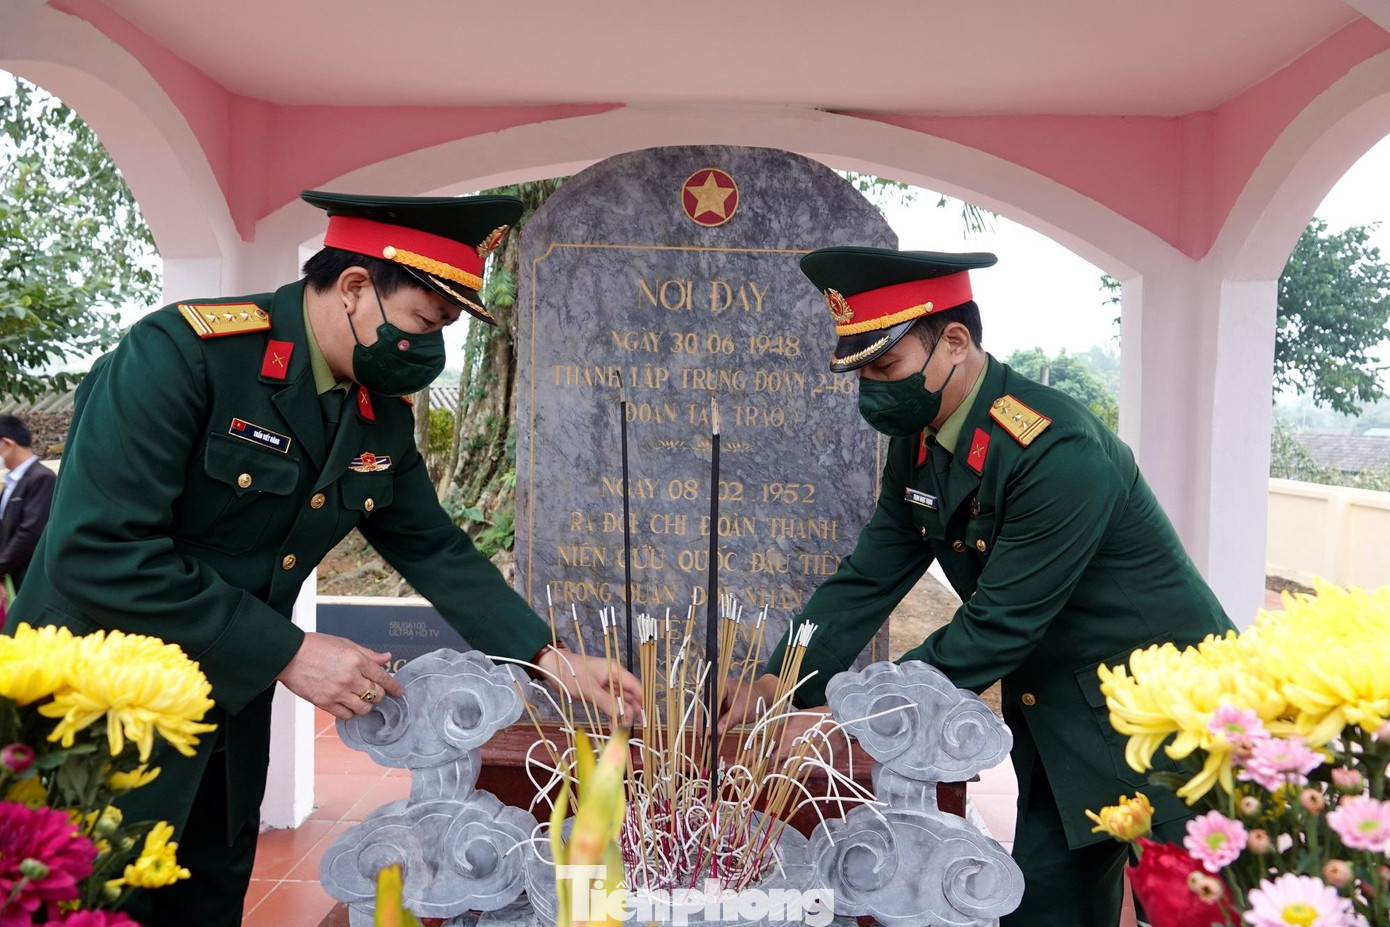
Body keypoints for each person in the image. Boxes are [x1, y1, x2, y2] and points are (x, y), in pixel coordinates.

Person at [5, 191, 642, 927]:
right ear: (353, 289)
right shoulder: (183, 357)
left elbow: (433, 545)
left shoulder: (375, 415)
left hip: (223, 707)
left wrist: (549, 656)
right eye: (424, 322)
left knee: (205, 896)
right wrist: (288, 650)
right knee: (83, 901)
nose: (431, 349)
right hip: (92, 704)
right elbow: (99, 550)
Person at [723, 247, 1236, 927]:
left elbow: (998, 625)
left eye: (886, 366)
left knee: (1201, 909)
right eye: (861, 372)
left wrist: (850, 716)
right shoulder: (922, 437)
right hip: (1062, 716)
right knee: (1046, 910)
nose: (872, 389)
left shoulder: (1056, 452)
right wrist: (778, 679)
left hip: (1170, 717)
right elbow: (867, 576)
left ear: (955, 343)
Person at [0, 414, 56, 596]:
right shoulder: (13, 480)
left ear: (7, 443)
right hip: (13, 575)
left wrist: (1, 566)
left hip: (30, 577)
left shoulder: (42, 478)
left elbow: (30, 531)